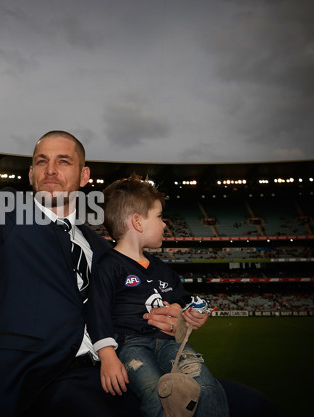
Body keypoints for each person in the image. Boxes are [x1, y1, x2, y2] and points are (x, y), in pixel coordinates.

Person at [0, 26, 277, 417]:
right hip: (42, 379)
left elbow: (126, 305)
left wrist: (168, 315)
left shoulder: (103, 247)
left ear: (84, 177)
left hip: (116, 368)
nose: (50, 169)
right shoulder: (8, 217)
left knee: (256, 404)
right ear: (29, 175)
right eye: (40, 161)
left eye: (63, 161)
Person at [87, 175, 228, 417]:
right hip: (131, 347)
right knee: (157, 394)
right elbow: (96, 313)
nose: (165, 224)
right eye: (159, 216)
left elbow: (186, 301)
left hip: (169, 343)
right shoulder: (108, 266)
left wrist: (197, 314)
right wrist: (108, 356)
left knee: (203, 385)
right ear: (137, 223)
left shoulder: (162, 268)